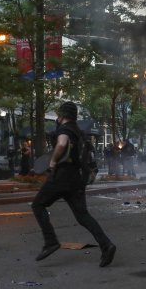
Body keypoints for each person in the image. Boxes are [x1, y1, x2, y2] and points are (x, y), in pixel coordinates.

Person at [31, 101, 116, 267]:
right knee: (83, 216)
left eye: (58, 114)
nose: (56, 117)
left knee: (37, 205)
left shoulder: (65, 130)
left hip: (62, 177)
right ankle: (107, 245)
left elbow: (62, 143)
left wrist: (53, 161)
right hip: (77, 179)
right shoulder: (79, 131)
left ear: (62, 115)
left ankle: (51, 242)